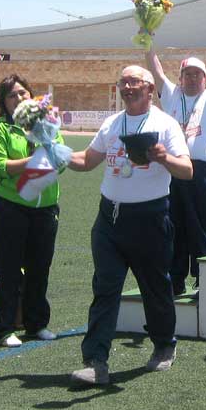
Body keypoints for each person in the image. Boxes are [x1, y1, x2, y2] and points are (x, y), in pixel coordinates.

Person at [68, 66, 193, 385]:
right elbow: (87, 161)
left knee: (155, 287)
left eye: (134, 81)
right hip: (109, 219)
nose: (127, 86)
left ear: (150, 89)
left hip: (150, 219)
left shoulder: (165, 125)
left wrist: (164, 158)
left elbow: (187, 171)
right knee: (105, 288)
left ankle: (164, 344)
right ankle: (96, 361)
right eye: (123, 82)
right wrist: (55, 152)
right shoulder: (112, 124)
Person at [145, 35, 206, 295]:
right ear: (181, 77)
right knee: (173, 224)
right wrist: (147, 39)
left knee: (200, 225)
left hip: (202, 171)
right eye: (188, 74)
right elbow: (155, 68)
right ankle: (175, 279)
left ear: (205, 79)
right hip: (173, 168)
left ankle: (203, 279)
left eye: (198, 75)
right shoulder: (171, 95)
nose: (193, 79)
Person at [0, 74, 62, 347]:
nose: (19, 99)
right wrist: (32, 162)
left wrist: (52, 157)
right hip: (9, 207)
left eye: (23, 93)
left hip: (46, 208)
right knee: (8, 268)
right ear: (3, 104)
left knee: (40, 266)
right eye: (11, 95)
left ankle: (36, 323)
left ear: (32, 96)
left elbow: (59, 159)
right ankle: (3, 329)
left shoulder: (47, 126)